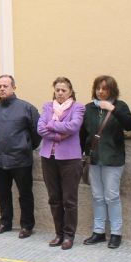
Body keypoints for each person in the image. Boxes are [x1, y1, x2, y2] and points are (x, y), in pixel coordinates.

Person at [81, 76, 131, 249]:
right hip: (94, 158)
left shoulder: (120, 106)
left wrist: (113, 109)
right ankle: (98, 232)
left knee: (111, 196)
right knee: (97, 196)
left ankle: (116, 233)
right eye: (98, 88)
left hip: (113, 158)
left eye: (104, 88)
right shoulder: (89, 108)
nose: (100, 92)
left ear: (112, 90)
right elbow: (83, 133)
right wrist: (83, 153)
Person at [0, 75, 41, 238]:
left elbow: (37, 133)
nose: (2, 89)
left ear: (14, 88)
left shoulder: (27, 108)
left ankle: (27, 225)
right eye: (0, 86)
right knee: (3, 194)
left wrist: (25, 146)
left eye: (5, 86)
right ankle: (5, 223)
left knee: (25, 194)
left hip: (21, 160)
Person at [37, 77, 85, 250]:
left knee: (69, 200)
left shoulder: (78, 107)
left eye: (64, 90)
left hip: (70, 159)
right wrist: (58, 133)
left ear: (70, 91)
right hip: (48, 158)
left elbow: (73, 127)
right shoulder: (47, 107)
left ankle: (69, 236)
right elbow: (40, 129)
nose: (60, 93)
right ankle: (58, 233)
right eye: (57, 89)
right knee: (54, 199)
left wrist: (52, 125)